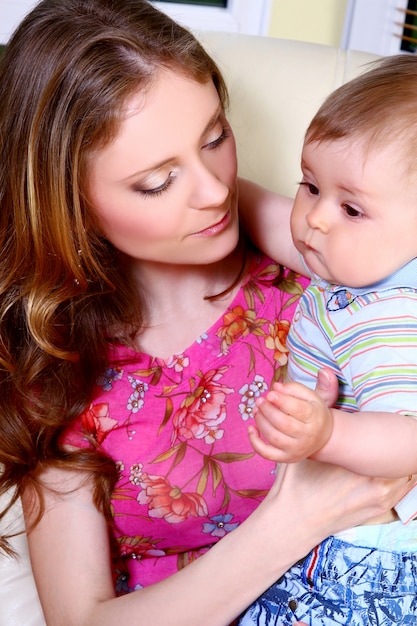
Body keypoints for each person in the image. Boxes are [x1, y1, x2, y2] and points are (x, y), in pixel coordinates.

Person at [0, 2, 412, 625]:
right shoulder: (58, 368)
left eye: (215, 138)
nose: (215, 189)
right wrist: (294, 520)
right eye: (157, 181)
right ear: (68, 204)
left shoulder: (322, 261)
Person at [238, 55, 417, 625]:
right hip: (329, 531)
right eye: (310, 185)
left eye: (351, 206)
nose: (315, 218)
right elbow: (259, 211)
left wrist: (328, 431)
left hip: (376, 556)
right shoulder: (349, 260)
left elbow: (411, 439)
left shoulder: (396, 319)